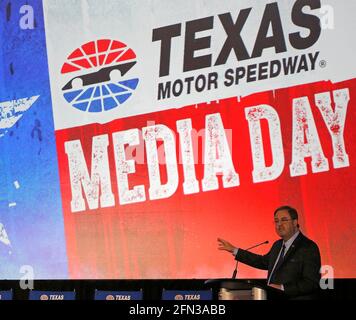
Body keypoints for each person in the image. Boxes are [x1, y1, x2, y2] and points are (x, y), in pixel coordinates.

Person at [217, 205, 321, 299]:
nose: (279, 224)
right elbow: (262, 261)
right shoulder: (277, 245)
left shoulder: (308, 247)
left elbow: (311, 283)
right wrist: (235, 250)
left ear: (295, 222)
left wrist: (282, 288)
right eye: (276, 221)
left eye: (284, 220)